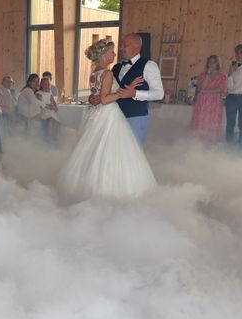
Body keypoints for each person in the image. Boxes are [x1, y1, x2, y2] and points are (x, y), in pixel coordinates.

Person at [58, 39, 156, 201]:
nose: (115, 54)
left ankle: (88, 186)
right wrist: (124, 92)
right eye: (111, 52)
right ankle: (111, 189)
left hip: (96, 114)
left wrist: (97, 97)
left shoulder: (95, 72)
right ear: (104, 55)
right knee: (112, 151)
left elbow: (95, 96)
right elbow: (104, 99)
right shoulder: (108, 73)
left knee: (94, 150)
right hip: (108, 114)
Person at [90, 33, 164, 145]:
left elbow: (159, 94)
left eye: (125, 45)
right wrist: (93, 98)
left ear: (136, 47)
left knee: (132, 154)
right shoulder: (115, 67)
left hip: (135, 118)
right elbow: (105, 92)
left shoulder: (149, 65)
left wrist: (135, 93)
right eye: (121, 45)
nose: (121, 48)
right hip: (112, 119)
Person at [190, 55, 227, 143]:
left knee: (212, 122)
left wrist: (205, 91)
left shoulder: (222, 76)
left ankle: (210, 144)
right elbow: (200, 88)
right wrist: (207, 75)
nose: (211, 64)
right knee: (201, 121)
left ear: (218, 64)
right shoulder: (202, 75)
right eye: (210, 62)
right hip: (202, 103)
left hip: (215, 103)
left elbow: (220, 89)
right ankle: (197, 143)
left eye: (214, 62)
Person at [37, 76, 60, 142]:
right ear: (41, 85)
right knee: (50, 120)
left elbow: (54, 102)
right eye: (45, 84)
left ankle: (55, 138)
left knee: (57, 121)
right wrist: (49, 107)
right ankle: (48, 138)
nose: (46, 86)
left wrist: (55, 107)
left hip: (51, 111)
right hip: (44, 111)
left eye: (48, 84)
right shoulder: (39, 93)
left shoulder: (50, 93)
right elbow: (41, 104)